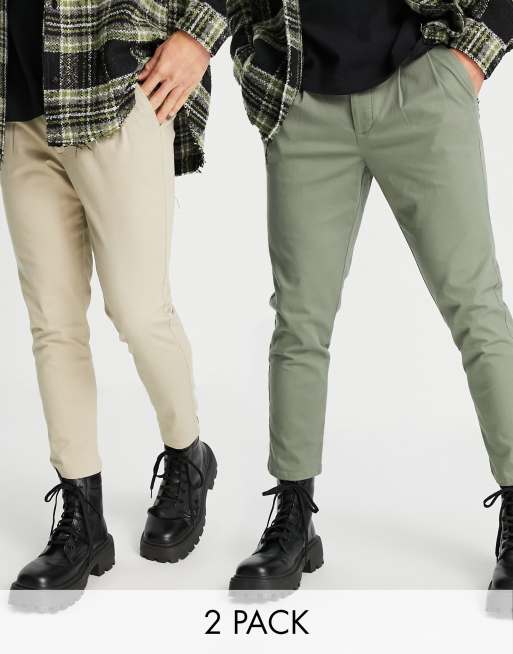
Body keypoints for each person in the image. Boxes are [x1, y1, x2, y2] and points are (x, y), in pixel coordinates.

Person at [227, 0, 513, 592]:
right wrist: (256, 66)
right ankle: (293, 516)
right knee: (299, 321)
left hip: (422, 87)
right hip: (304, 103)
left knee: (476, 309)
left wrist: (473, 57)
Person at [2, 0, 227, 605]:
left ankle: (188, 454)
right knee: (53, 324)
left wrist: (199, 36)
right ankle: (83, 520)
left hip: (113, 87)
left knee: (138, 309)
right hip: (20, 106)